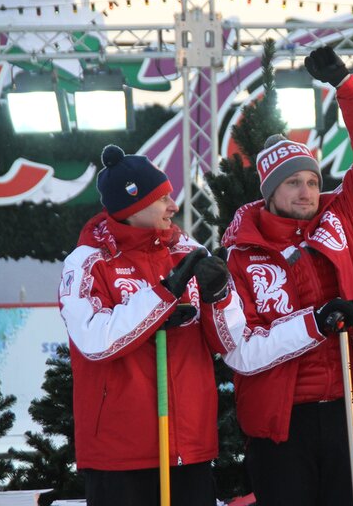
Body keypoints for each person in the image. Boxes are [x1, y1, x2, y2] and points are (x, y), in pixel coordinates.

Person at [59, 144, 320, 505]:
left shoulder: (186, 249)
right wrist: (163, 296)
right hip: (120, 452)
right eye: (162, 198)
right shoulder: (88, 261)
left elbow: (230, 343)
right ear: (132, 205)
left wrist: (219, 297)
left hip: (188, 446)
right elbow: (95, 341)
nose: (174, 206)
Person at [221, 46, 353, 505]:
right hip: (281, 420)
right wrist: (313, 324)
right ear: (269, 192)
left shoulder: (344, 218)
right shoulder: (241, 255)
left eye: (314, 181)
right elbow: (240, 347)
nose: (307, 191)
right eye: (294, 183)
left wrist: (348, 89)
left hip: (346, 408)